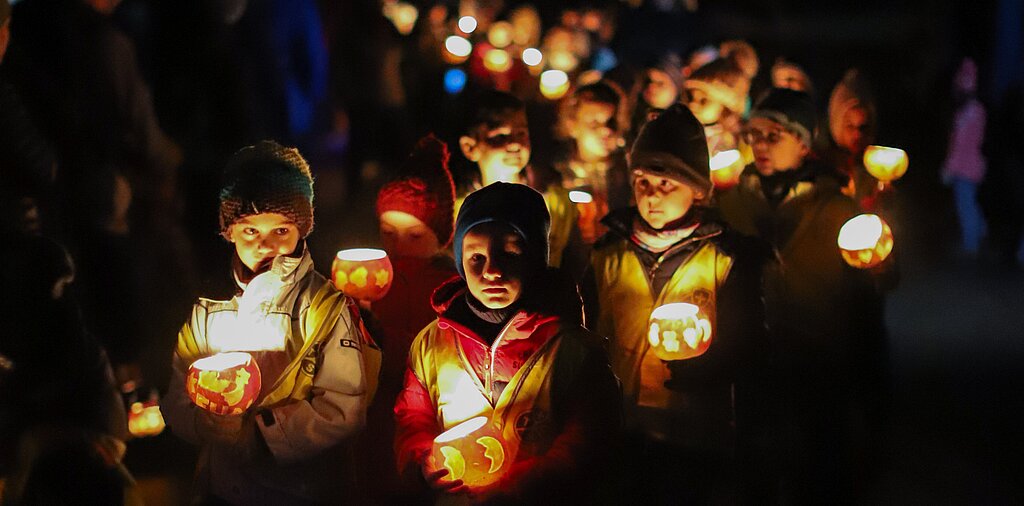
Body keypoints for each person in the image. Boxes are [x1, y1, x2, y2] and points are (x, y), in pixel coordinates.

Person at [162, 141, 377, 505]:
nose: (265, 245)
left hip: (298, 490)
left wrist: (263, 437)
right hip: (225, 488)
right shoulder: (208, 307)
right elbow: (178, 390)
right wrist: (201, 423)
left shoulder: (322, 307)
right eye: (250, 231)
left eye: (280, 231)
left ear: (302, 229)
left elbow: (343, 405)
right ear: (228, 230)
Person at [583, 103, 769, 504]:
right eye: (643, 182)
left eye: (666, 184)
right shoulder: (607, 254)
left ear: (697, 189)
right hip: (625, 425)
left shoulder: (725, 257)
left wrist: (712, 366)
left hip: (697, 429)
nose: (651, 196)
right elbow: (589, 334)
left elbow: (747, 338)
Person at [394, 182, 620, 504]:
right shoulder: (432, 343)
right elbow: (414, 416)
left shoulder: (571, 349)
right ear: (459, 259)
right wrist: (422, 463)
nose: (492, 271)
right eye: (476, 257)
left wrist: (527, 483)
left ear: (535, 258)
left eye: (510, 254)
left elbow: (589, 433)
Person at [718, 88, 891, 503]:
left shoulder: (835, 207)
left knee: (820, 464)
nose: (760, 145)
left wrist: (878, 262)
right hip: (751, 357)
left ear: (803, 142)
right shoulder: (731, 205)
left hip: (818, 355)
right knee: (754, 463)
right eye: (754, 135)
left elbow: (871, 288)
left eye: (774, 135)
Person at [362, 134, 459, 504]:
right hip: (371, 415)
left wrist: (383, 337)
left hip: (415, 419)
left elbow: (434, 355)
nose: (399, 245)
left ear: (440, 234)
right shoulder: (372, 273)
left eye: (415, 235)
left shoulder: (446, 288)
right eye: (388, 233)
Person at [458, 90, 586, 279]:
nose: (515, 144)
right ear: (470, 147)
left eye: (521, 133)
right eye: (500, 136)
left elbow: (576, 266)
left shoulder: (556, 203)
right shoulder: (456, 211)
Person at [556, 80, 632, 244]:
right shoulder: (556, 178)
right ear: (572, 125)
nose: (606, 130)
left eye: (611, 121)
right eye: (594, 123)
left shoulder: (632, 175)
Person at [941, 57, 988, 258]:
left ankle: (971, 243)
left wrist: (948, 169)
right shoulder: (977, 111)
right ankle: (980, 232)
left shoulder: (967, 115)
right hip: (974, 166)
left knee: (965, 205)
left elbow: (960, 146)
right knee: (970, 203)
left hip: (964, 168)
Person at [826, 69, 885, 211]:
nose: (857, 134)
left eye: (863, 127)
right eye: (850, 126)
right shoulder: (826, 170)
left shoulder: (879, 171)